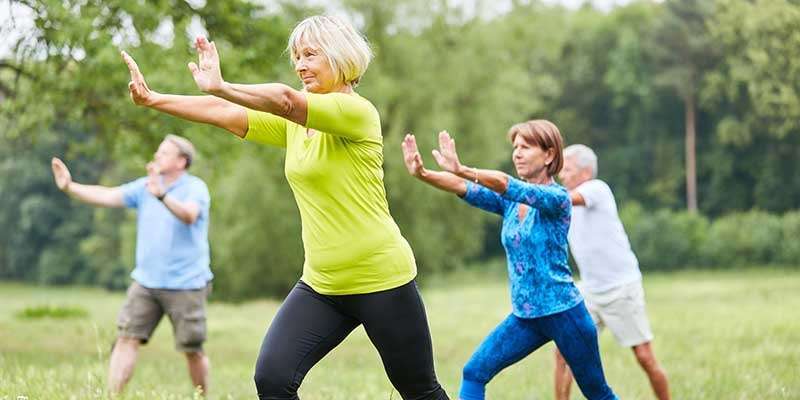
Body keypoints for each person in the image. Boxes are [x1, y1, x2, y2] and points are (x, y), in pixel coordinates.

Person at [121, 15, 448, 400]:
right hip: (322, 283)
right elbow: (226, 115)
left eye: (311, 55)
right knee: (273, 380)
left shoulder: (357, 113)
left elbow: (286, 100)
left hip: (381, 278)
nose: (300, 65)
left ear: (340, 57)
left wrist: (223, 85)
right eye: (297, 57)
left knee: (418, 391)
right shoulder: (295, 126)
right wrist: (154, 99)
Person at [402, 122, 617, 400]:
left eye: (525, 147)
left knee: (597, 393)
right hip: (526, 317)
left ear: (549, 155)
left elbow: (506, 184)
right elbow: (462, 186)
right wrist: (422, 173)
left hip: (565, 313)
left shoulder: (557, 198)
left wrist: (463, 168)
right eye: (515, 147)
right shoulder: (510, 204)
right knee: (474, 372)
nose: (517, 153)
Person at [50, 134, 212, 396]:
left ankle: (202, 396)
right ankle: (113, 396)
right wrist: (70, 187)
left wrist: (162, 196)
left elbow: (189, 215)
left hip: (186, 284)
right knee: (126, 338)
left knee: (192, 350)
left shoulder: (195, 188)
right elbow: (107, 195)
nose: (157, 156)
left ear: (182, 161)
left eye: (164, 153)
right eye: (158, 152)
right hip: (146, 282)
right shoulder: (145, 187)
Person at [555, 144, 671, 400]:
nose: (562, 175)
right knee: (564, 353)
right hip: (589, 291)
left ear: (585, 172)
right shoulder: (564, 203)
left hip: (621, 288)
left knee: (644, 357)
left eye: (567, 169)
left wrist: (527, 189)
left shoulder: (597, 189)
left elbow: (560, 199)